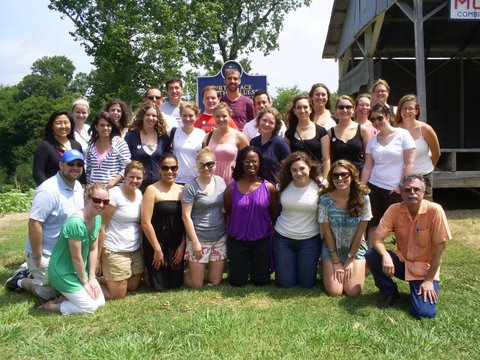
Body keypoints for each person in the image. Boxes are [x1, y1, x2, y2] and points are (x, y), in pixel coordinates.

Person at [365, 175, 451, 318]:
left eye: (416, 189)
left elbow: (440, 249)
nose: (412, 192)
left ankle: (419, 289)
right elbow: (377, 239)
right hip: (403, 262)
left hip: (424, 270)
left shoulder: (435, 211)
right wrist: (386, 255)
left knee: (423, 313)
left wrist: (429, 280)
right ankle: (389, 291)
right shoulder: (394, 210)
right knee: (372, 254)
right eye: (407, 189)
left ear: (423, 192)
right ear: (401, 193)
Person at [5, 150, 85, 300]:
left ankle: (29, 271)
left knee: (72, 288)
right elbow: (34, 224)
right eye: (71, 164)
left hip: (65, 252)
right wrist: (37, 256)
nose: (75, 167)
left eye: (79, 164)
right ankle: (21, 280)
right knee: (51, 294)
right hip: (47, 253)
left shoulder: (78, 186)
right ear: (61, 165)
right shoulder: (48, 190)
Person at [39, 183, 108, 314]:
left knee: (100, 303)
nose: (101, 205)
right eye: (97, 200)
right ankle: (50, 306)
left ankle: (62, 298)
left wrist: (92, 278)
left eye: (106, 201)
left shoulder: (97, 218)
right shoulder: (76, 223)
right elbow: (76, 258)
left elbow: (93, 250)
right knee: (90, 307)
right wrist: (85, 282)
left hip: (80, 270)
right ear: (87, 198)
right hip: (63, 271)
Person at [361, 103, 416, 245]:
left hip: (395, 189)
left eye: (379, 118)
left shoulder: (403, 135)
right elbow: (368, 166)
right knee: (374, 225)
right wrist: (362, 187)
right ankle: (372, 260)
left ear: (388, 116)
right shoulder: (373, 140)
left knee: (400, 227)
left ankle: (403, 260)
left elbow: (409, 163)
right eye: (372, 120)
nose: (376, 122)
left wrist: (402, 186)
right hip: (374, 187)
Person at [224, 147, 278, 287]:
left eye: (254, 161)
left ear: (260, 163)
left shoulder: (269, 187)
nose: (251, 164)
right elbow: (230, 211)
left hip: (261, 240)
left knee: (261, 282)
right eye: (247, 161)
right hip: (237, 240)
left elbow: (273, 211)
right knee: (237, 282)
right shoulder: (231, 188)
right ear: (241, 163)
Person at [319, 160, 372, 297]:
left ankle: (362, 266)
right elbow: (327, 233)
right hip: (332, 249)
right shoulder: (325, 199)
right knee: (334, 291)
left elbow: (360, 232)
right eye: (335, 176)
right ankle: (325, 266)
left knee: (353, 292)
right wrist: (336, 261)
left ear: (352, 175)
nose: (340, 178)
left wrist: (349, 259)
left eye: (344, 174)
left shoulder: (363, 199)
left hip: (354, 249)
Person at [273, 152, 322, 288]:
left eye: (302, 168)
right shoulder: (282, 186)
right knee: (285, 283)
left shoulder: (321, 186)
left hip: (310, 240)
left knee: (306, 284)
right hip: (283, 239)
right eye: (294, 170)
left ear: (309, 168)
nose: (298, 173)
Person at [97, 161, 145, 299]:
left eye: (139, 178)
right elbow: (101, 226)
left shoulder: (140, 194)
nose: (135, 181)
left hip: (133, 249)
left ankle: (106, 278)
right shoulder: (114, 194)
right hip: (114, 249)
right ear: (124, 176)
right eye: (131, 177)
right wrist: (98, 258)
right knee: (118, 294)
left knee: (133, 286)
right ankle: (85, 285)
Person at [181, 148, 227, 289]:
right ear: (197, 165)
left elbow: (225, 208)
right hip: (199, 238)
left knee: (215, 281)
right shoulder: (190, 187)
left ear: (215, 164)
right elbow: (186, 216)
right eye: (202, 165)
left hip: (219, 237)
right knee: (197, 285)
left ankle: (201, 271)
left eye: (210, 164)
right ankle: (180, 273)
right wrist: (195, 242)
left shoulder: (221, 182)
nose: (206, 168)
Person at [142, 154, 186, 290]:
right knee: (159, 286)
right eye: (165, 168)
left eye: (173, 168)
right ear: (159, 169)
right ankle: (146, 273)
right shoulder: (151, 189)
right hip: (157, 244)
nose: (170, 171)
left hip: (176, 245)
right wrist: (157, 249)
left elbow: (186, 219)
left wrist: (182, 246)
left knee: (176, 284)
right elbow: (145, 222)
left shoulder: (182, 190)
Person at [394, 94, 441, 201]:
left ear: (416, 111)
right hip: (402, 177)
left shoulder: (425, 129)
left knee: (426, 209)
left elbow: (436, 153)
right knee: (404, 210)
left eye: (410, 108)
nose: (407, 111)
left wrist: (427, 168)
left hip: (423, 176)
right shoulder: (395, 129)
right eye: (404, 108)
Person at [125, 102, 170, 192]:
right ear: (142, 116)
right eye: (147, 115)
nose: (151, 118)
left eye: (154, 116)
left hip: (159, 187)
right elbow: (126, 161)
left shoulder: (164, 137)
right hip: (136, 186)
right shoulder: (131, 136)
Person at [284, 94, 330, 182]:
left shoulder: (321, 131)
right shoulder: (289, 133)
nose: (302, 110)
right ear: (294, 111)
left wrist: (324, 179)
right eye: (299, 108)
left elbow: (326, 159)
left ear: (310, 109)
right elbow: (287, 159)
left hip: (317, 178)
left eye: (305, 107)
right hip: (297, 178)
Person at [33, 110, 84, 186]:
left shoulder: (76, 145)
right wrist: (49, 189)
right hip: (52, 191)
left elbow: (81, 170)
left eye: (66, 123)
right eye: (58, 123)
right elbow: (38, 173)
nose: (63, 126)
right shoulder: (45, 147)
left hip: (73, 191)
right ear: (52, 126)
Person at [203, 102, 249, 184]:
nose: (221, 119)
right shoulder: (208, 137)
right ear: (213, 117)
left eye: (224, 116)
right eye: (217, 116)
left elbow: (247, 160)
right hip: (211, 182)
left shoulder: (239, 136)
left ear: (230, 116)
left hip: (233, 181)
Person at [86, 111, 131, 188]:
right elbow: (89, 169)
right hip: (94, 191)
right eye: (102, 125)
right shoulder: (91, 144)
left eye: (108, 125)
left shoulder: (119, 143)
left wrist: (111, 184)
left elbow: (127, 167)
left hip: (114, 190)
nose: (105, 128)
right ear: (96, 127)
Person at [329, 95, 371, 172]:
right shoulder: (330, 132)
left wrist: (363, 182)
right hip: (338, 178)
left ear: (353, 110)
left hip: (358, 177)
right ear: (336, 110)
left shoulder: (362, 130)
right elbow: (329, 160)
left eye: (348, 107)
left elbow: (368, 161)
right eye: (341, 107)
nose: (345, 110)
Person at [250, 107, 291, 185]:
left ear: (276, 125)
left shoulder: (281, 144)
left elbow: (288, 168)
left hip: (273, 190)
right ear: (259, 121)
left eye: (271, 122)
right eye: (264, 120)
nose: (266, 124)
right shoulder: (253, 142)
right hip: (255, 187)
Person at [172, 102, 206, 184]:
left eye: (191, 116)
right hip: (176, 180)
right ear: (180, 115)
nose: (187, 119)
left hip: (197, 180)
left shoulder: (202, 134)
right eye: (184, 115)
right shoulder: (173, 132)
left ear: (197, 116)